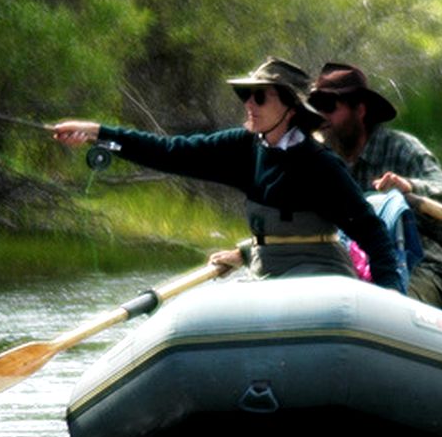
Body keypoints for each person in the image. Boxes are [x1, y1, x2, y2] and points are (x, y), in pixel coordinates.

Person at [51, 57, 403, 291]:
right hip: (269, 282)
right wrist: (98, 132)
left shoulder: (322, 165)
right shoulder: (243, 148)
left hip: (321, 288)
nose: (249, 104)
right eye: (245, 95)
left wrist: (390, 305)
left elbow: (375, 238)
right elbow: (168, 152)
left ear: (291, 108)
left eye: (260, 97)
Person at [309, 62, 442, 313]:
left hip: (425, 268)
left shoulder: (400, 148)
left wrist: (409, 188)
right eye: (316, 108)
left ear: (359, 111)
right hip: (352, 275)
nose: (322, 117)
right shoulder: (319, 163)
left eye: (329, 106)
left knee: (380, 310)